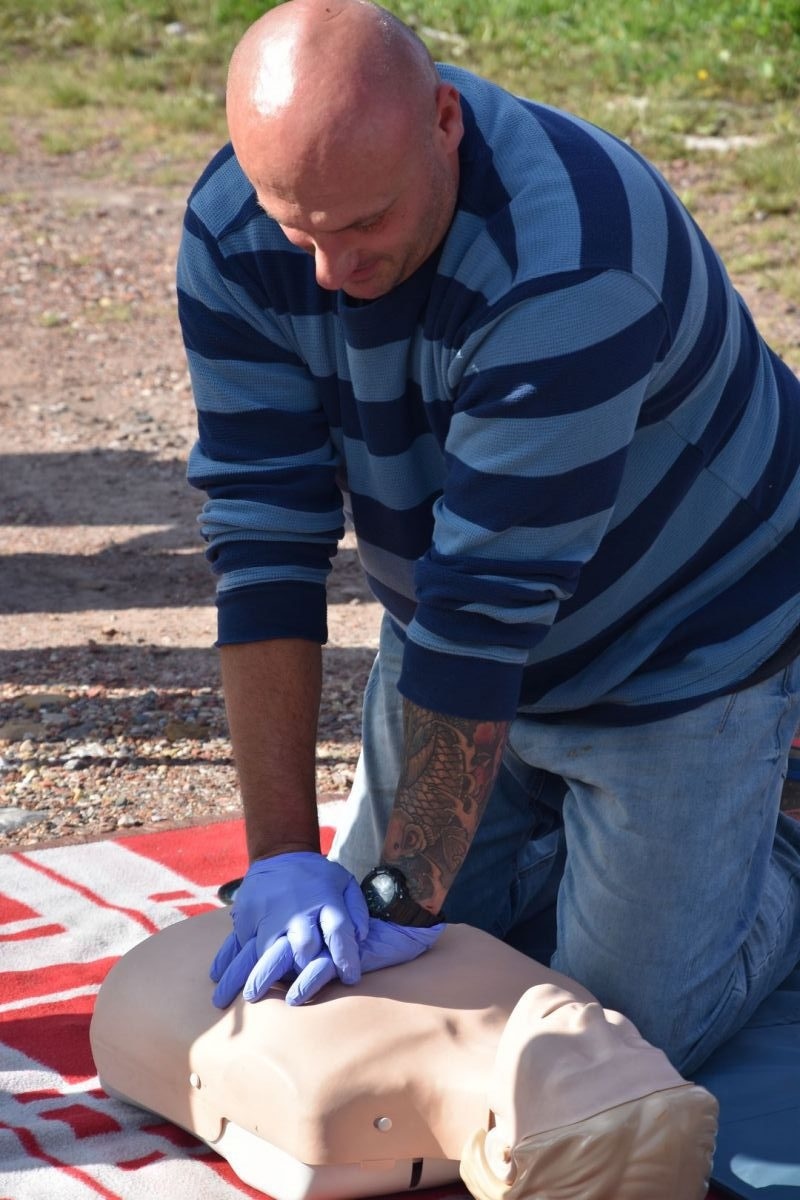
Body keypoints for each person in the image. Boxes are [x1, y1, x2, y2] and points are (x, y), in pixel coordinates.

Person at [177, 0, 800, 1076]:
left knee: (620, 1043)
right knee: (381, 981)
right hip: (454, 619)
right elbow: (263, 538)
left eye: (362, 223)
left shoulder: (571, 266)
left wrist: (399, 892)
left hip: (687, 635)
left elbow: (485, 609)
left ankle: (772, 835)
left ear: (444, 123)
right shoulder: (237, 224)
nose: (328, 270)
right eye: (299, 228)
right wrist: (278, 858)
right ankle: (589, 846)